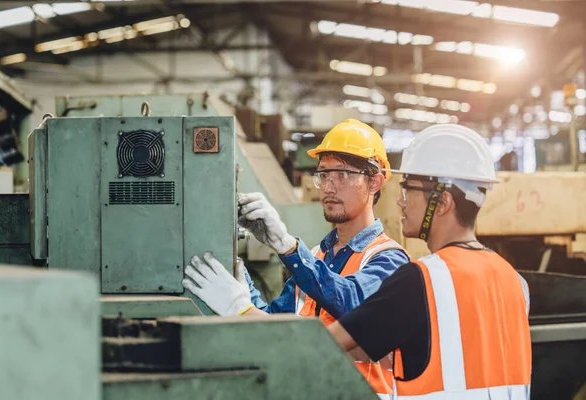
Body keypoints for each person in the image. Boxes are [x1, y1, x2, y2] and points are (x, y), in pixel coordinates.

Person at [183, 119, 410, 399]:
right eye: (323, 175)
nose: (328, 187)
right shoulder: (316, 257)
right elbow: (277, 325)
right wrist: (241, 287)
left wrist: (287, 247)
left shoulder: (389, 261)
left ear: (374, 181)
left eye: (342, 175)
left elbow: (355, 308)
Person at [327, 124, 532, 399]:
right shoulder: (516, 282)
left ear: (443, 201)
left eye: (408, 190)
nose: (401, 202)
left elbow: (327, 343)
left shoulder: (420, 280)